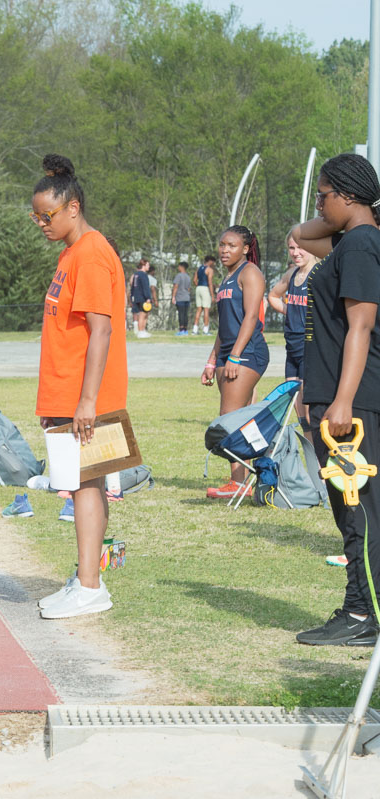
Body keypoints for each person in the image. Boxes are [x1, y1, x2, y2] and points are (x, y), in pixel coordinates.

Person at [30, 154, 127, 620]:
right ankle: (89, 578)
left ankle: (89, 587)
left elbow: (101, 330)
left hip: (85, 397)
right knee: (83, 486)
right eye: (36, 216)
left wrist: (87, 400)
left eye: (46, 215)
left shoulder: (90, 252)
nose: (40, 223)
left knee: (86, 487)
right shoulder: (72, 251)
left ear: (72, 207)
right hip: (67, 392)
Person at [289, 152, 380, 646]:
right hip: (335, 396)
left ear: (348, 194)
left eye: (324, 195)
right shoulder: (353, 239)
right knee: (352, 509)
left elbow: (361, 326)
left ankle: (362, 613)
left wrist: (342, 401)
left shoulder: (363, 244)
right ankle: (362, 607)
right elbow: (302, 234)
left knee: (357, 509)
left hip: (355, 402)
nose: (318, 206)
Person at [201, 225, 269, 498]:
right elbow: (224, 325)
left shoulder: (250, 273)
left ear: (245, 248)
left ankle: (238, 483)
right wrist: (211, 360)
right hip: (230, 351)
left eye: (231, 245)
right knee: (240, 419)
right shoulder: (227, 277)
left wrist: (235, 356)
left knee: (228, 419)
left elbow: (251, 318)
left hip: (247, 352)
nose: (224, 250)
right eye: (222, 244)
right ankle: (247, 478)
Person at [267, 233, 318, 424]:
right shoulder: (291, 274)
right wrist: (292, 311)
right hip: (292, 346)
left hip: (310, 345)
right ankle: (308, 446)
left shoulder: (319, 273)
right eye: (291, 248)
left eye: (300, 247)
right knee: (294, 399)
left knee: (308, 403)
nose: (296, 253)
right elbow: (273, 297)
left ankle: (315, 448)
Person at [129, 258, 151, 338]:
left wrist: (132, 297)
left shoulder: (136, 274)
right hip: (142, 297)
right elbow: (146, 287)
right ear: (144, 265)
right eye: (148, 265)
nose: (149, 267)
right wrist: (148, 297)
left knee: (142, 314)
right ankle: (141, 331)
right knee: (143, 315)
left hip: (136, 297)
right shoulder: (143, 275)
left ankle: (142, 330)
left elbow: (132, 287)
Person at [193, 255, 216, 334]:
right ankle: (205, 330)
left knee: (199, 310)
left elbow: (195, 280)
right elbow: (210, 282)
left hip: (198, 288)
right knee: (206, 309)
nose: (213, 264)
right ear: (210, 261)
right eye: (213, 262)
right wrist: (212, 295)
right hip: (205, 288)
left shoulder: (199, 268)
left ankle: (195, 329)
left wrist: (199, 286)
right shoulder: (209, 269)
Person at [172, 261, 192, 336]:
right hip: (187, 297)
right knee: (185, 314)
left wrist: (173, 296)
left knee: (181, 313)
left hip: (180, 297)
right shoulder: (188, 276)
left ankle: (181, 329)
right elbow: (189, 288)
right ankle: (185, 329)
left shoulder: (179, 276)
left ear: (181, 267)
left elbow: (176, 286)